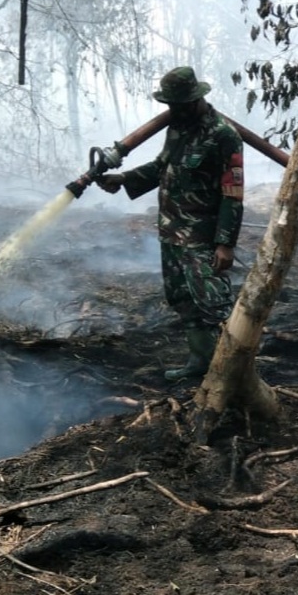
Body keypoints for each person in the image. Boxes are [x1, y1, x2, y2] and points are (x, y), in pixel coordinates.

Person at [97, 66, 245, 381]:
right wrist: (123, 178)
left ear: (195, 100)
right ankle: (201, 362)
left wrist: (225, 243)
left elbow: (233, 193)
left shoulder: (223, 135)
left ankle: (233, 371)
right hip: (172, 232)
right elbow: (162, 167)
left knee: (214, 303)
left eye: (178, 105)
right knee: (183, 299)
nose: (172, 112)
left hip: (202, 238)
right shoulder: (177, 128)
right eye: (170, 106)